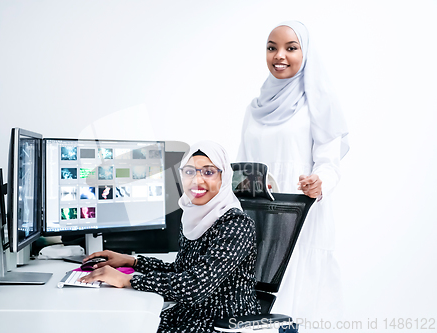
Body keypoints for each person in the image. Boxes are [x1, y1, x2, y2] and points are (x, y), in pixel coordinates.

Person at [80, 141, 261, 333]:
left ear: (224, 177)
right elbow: (181, 270)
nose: (197, 181)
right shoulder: (194, 215)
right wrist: (133, 262)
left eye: (208, 172)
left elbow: (195, 286)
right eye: (190, 172)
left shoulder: (235, 224)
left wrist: (129, 281)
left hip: (223, 322)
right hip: (191, 314)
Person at [237, 21, 349, 321]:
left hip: (302, 214)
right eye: (272, 48)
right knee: (260, 308)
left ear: (306, 52)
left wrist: (319, 182)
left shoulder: (317, 103)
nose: (279, 55)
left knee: (302, 306)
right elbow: (243, 166)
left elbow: (329, 161)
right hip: (259, 221)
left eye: (291, 47)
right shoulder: (254, 107)